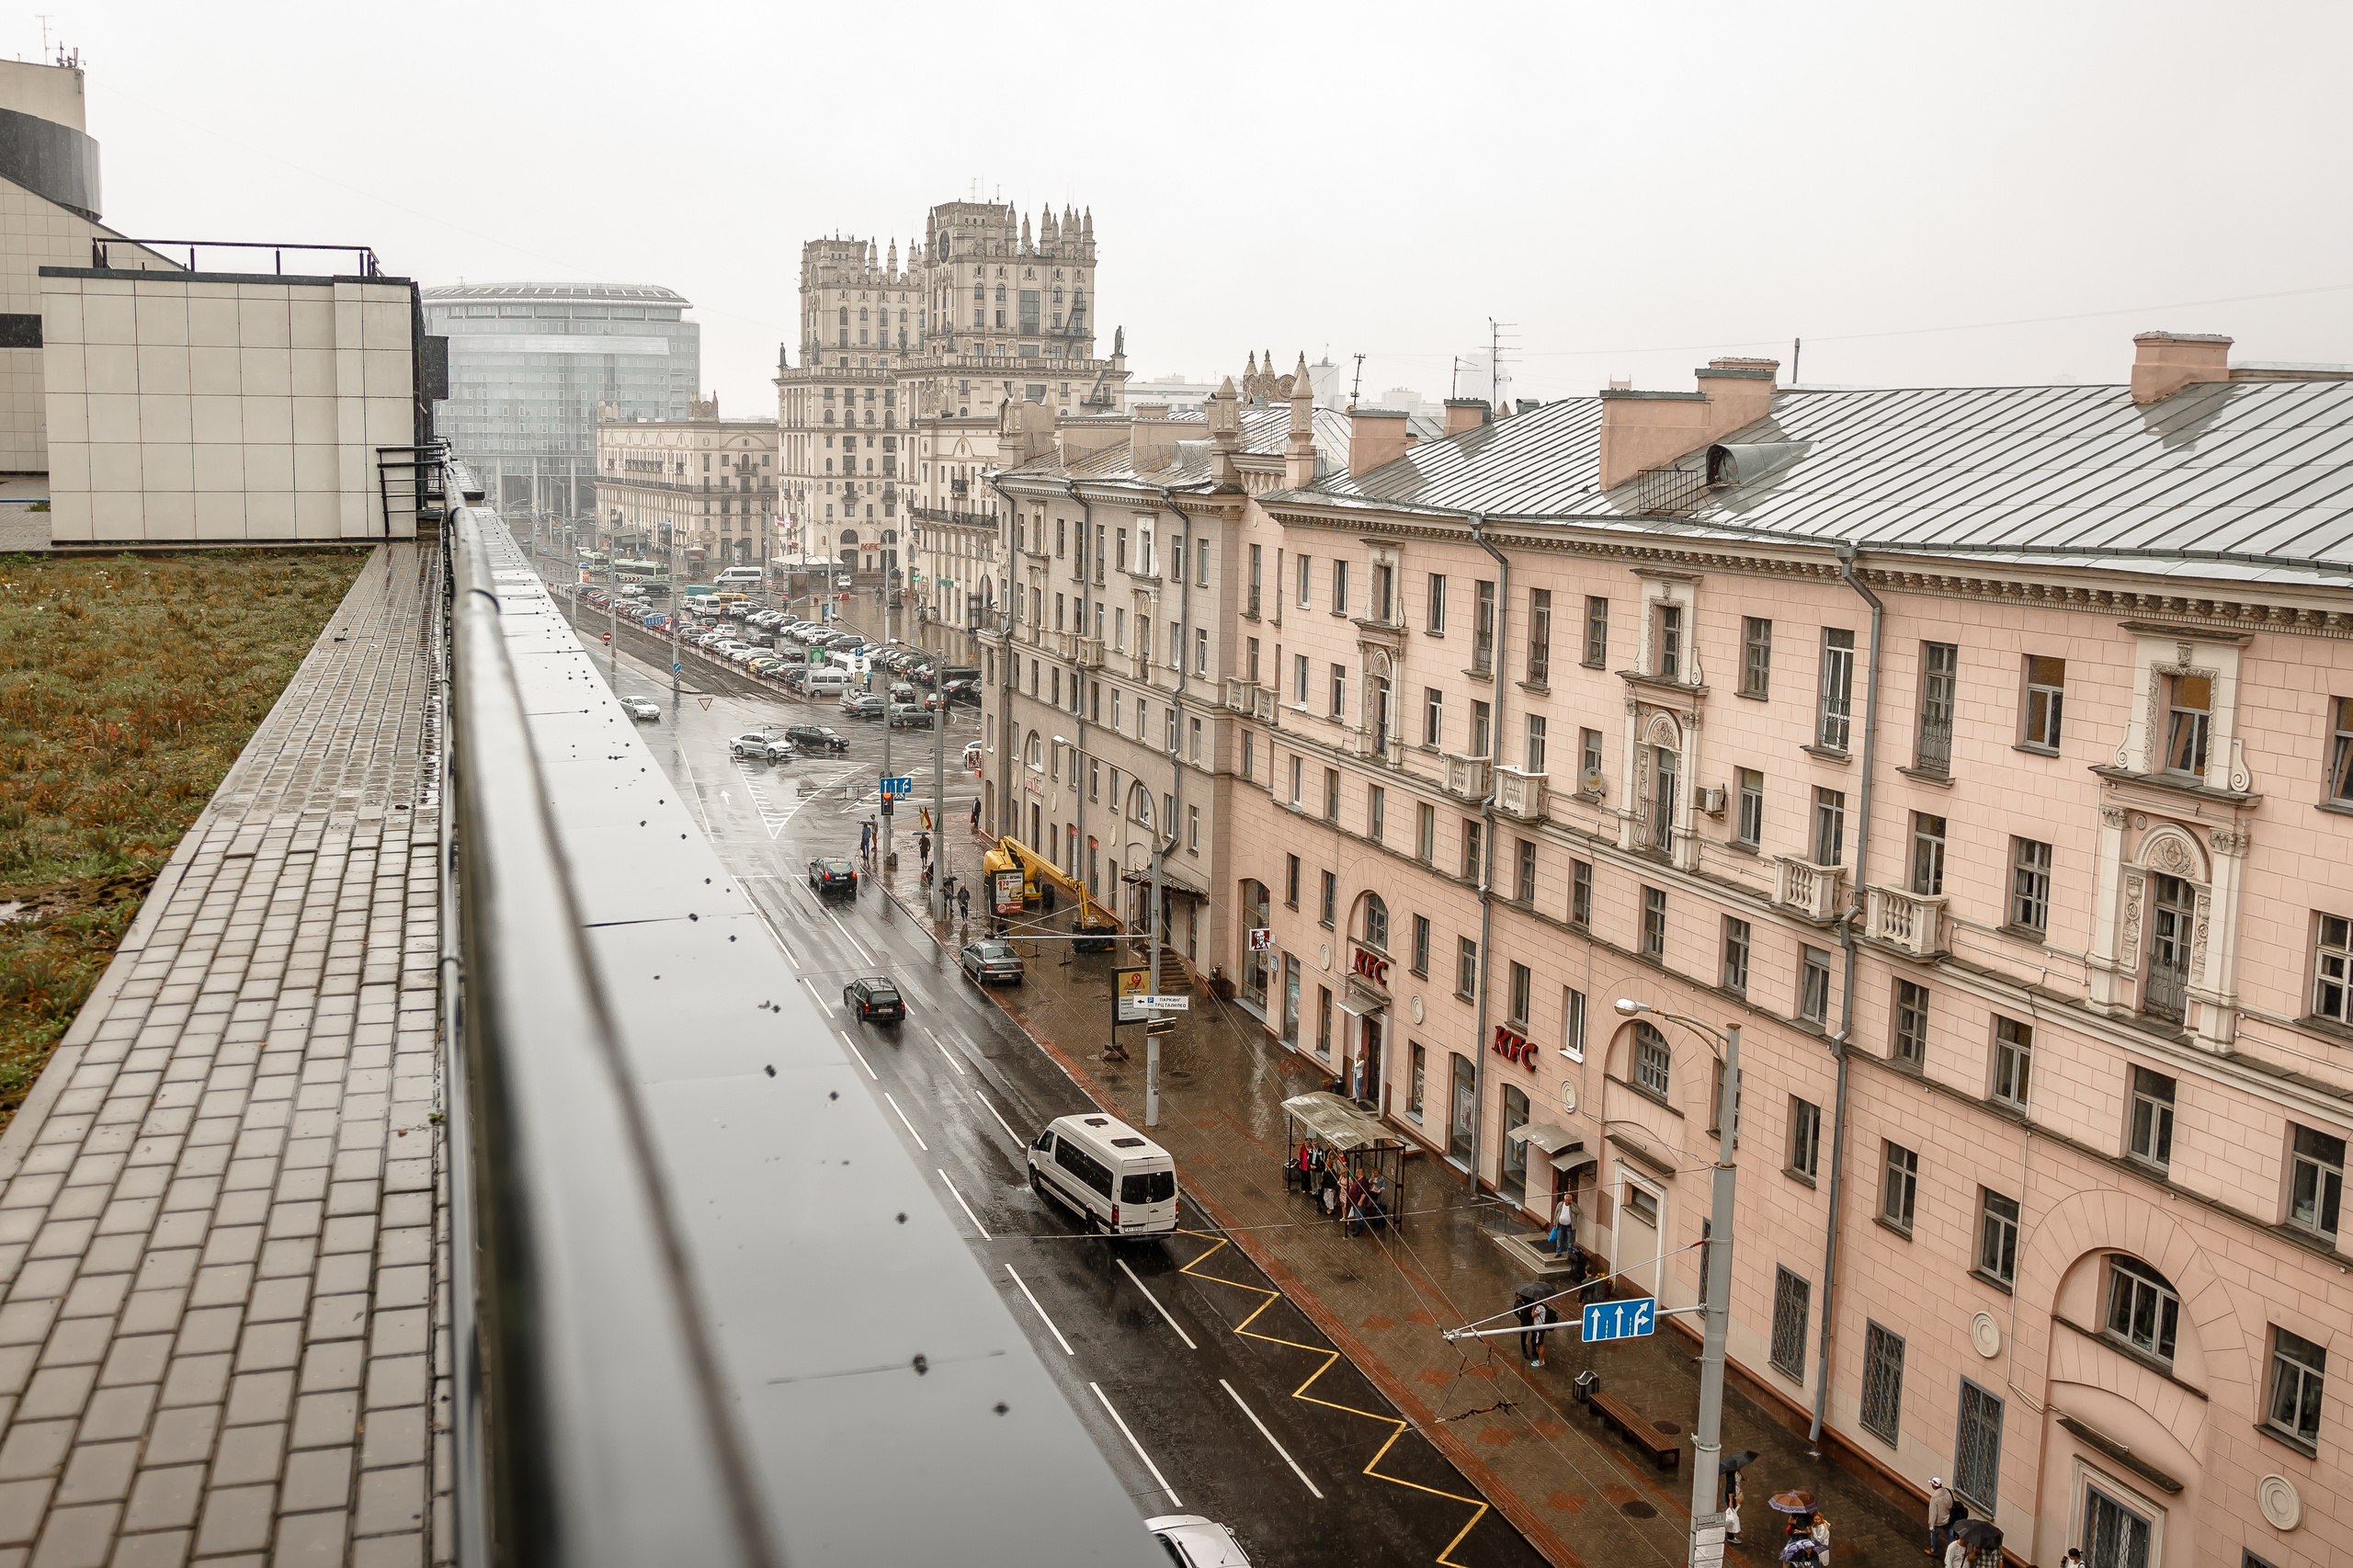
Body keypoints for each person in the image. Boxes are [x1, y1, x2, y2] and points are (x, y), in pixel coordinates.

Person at [1926, 1477, 1954, 1559]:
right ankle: (1955, 1553)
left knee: (1934, 1535)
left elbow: (1933, 1512)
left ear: (1934, 1486)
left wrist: (1931, 1525)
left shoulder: (1935, 1497)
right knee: (1951, 1538)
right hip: (1948, 1520)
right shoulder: (1947, 1492)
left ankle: (1934, 1552)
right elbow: (1951, 1505)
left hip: (1939, 1522)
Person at [1549, 1192, 1575, 1258]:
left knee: (1569, 1240)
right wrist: (1555, 1222)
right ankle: (1558, 1252)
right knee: (1559, 1239)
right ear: (1564, 1200)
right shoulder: (1560, 1205)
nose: (1567, 1201)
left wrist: (1572, 1206)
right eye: (1567, 1200)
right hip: (1560, 1225)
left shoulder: (1573, 1206)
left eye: (1569, 1200)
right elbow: (1556, 1213)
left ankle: (1569, 1254)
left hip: (1569, 1226)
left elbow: (1578, 1212)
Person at [1528, 1299, 1552, 1367]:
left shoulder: (1539, 1307)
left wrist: (1533, 1308)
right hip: (1541, 1327)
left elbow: (1533, 1315)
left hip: (1539, 1328)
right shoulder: (1543, 1304)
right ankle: (1541, 1359)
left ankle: (1540, 1361)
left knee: (1540, 1344)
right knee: (1540, 1343)